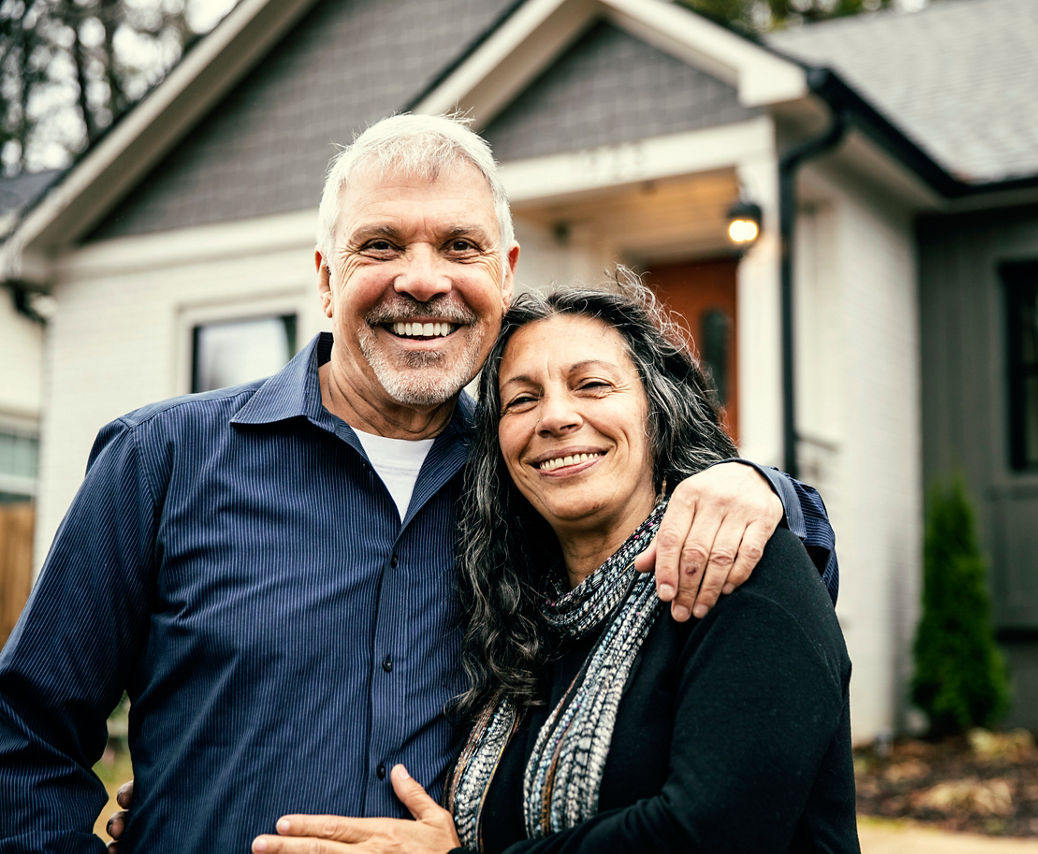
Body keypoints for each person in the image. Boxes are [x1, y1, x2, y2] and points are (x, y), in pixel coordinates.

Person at [0, 114, 837, 852]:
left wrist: (756, 484)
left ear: (504, 274)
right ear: (326, 276)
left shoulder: (530, 478)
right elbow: (26, 730)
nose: (425, 279)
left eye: (460, 246)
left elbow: (690, 553)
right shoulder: (163, 460)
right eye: (381, 245)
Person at [250, 280, 859, 853]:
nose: (555, 418)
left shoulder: (733, 567)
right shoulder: (520, 625)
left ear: (657, 411)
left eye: (592, 385)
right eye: (523, 399)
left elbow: (709, 832)